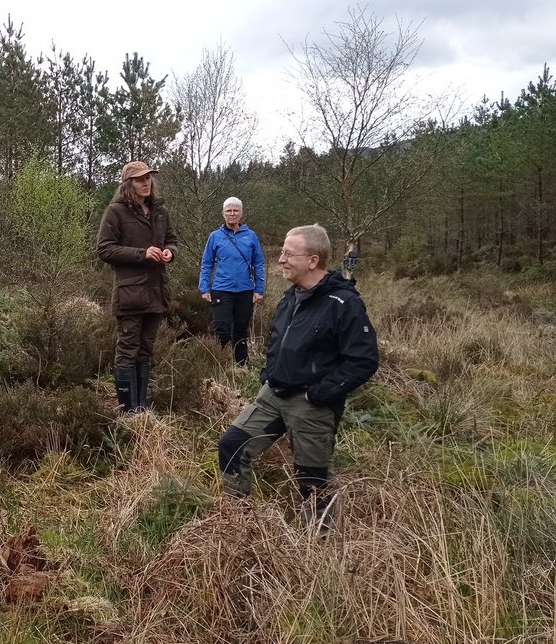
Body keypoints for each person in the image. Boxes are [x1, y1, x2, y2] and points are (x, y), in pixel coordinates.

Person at [216, 224, 379, 533]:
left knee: (312, 483)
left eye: (289, 254)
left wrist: (320, 394)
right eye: (282, 253)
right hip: (273, 394)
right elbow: (277, 341)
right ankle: (235, 528)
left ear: (313, 260)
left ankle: (318, 550)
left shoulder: (344, 303)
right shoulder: (291, 297)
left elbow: (364, 360)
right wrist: (268, 375)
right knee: (233, 446)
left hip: (312, 405)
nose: (281, 260)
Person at [96, 160, 179, 413]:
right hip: (130, 294)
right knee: (128, 350)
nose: (146, 183)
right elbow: (104, 249)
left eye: (148, 178)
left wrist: (169, 253)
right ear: (128, 183)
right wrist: (142, 253)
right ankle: (128, 409)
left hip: (156, 292)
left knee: (146, 351)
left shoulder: (160, 211)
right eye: (140, 179)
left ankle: (141, 408)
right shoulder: (116, 211)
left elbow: (173, 241)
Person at [198, 196, 266, 366]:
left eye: (235, 210)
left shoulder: (251, 236)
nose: (232, 213)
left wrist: (259, 289)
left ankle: (242, 364)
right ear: (223, 213)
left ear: (241, 213)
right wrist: (204, 288)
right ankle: (221, 364)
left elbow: (258, 263)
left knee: (241, 329)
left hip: (245, 290)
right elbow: (206, 263)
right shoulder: (215, 236)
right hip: (221, 289)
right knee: (222, 328)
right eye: (229, 210)